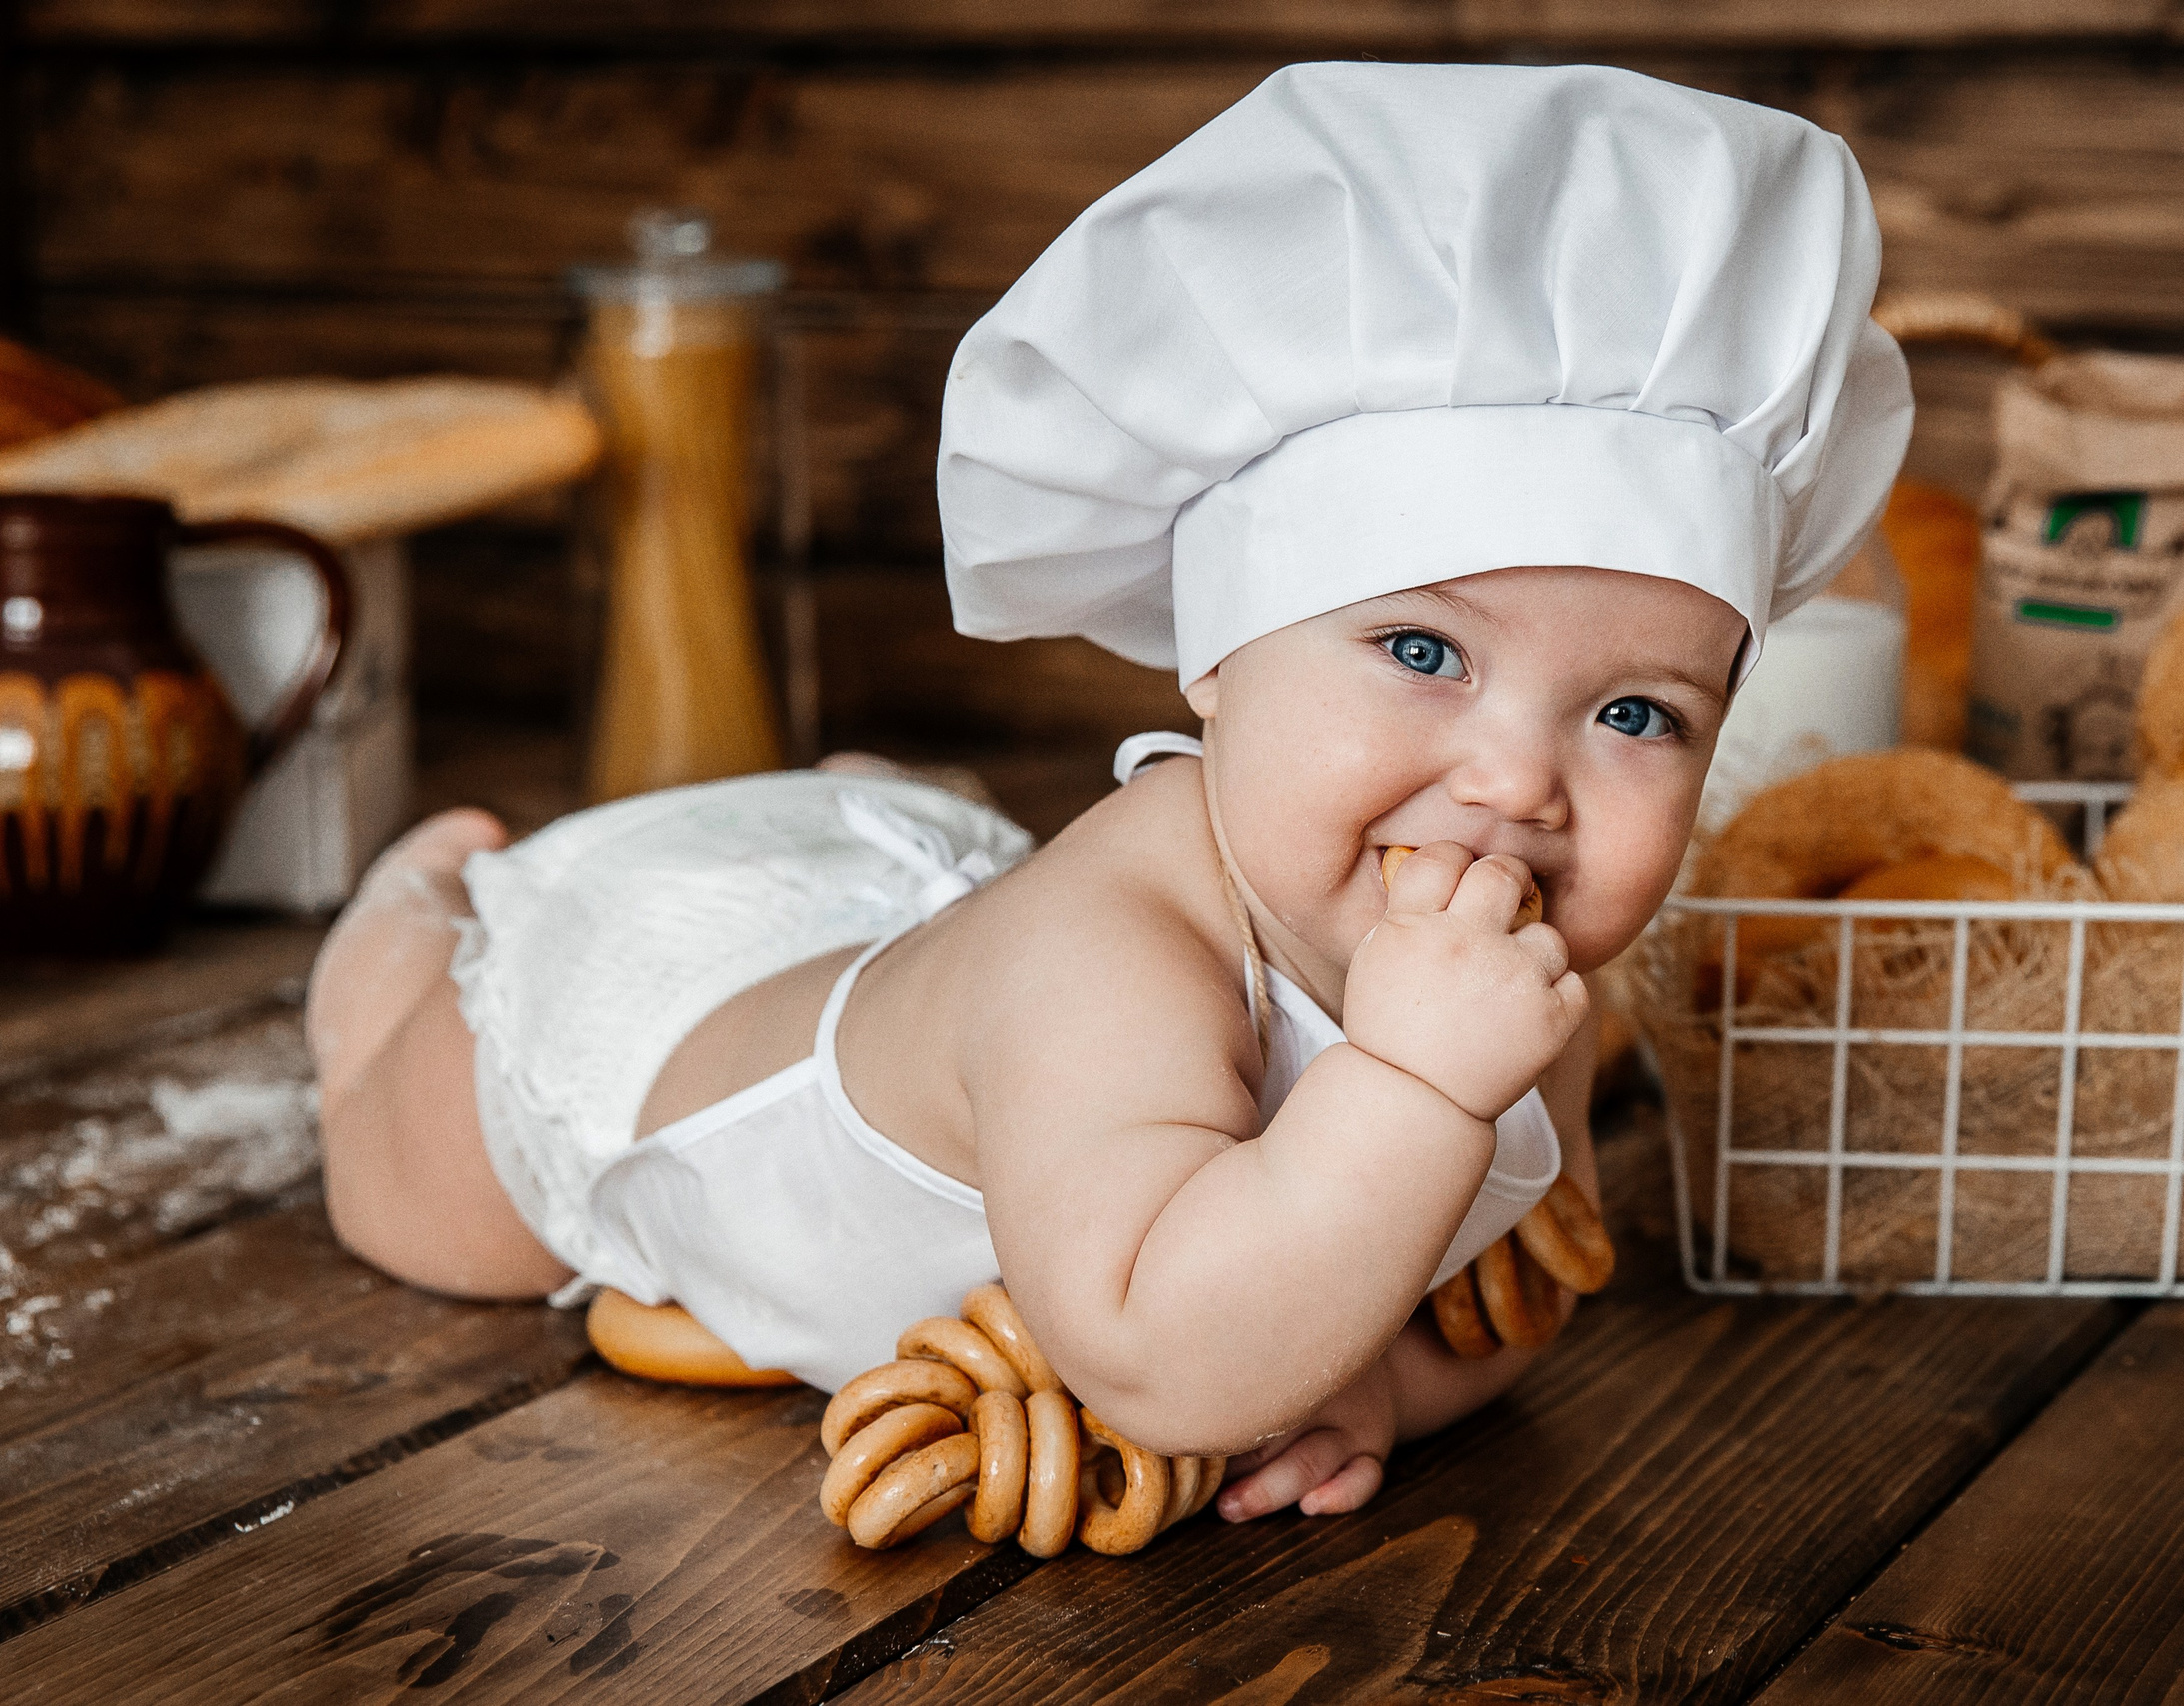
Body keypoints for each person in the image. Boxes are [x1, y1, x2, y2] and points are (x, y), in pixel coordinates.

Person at [307, 61, 1911, 1525]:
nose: (1515, 780)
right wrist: (1414, 1095)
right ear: (1214, 656)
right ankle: (407, 917)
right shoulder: (1116, 960)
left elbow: (1493, 1290)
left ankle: (858, 806)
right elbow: (1157, 1353)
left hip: (923, 941)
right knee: (429, 1198)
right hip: (663, 1057)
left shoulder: (1507, 978)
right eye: (1424, 648)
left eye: (1638, 710)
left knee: (921, 888)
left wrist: (1373, 1379)